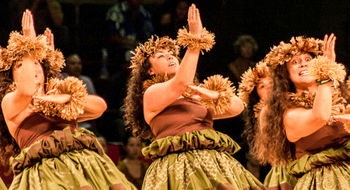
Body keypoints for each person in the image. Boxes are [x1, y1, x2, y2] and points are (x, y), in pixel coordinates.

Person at [124, 4, 265, 189]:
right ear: (149, 70)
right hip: (179, 167)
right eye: (161, 56)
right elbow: (180, 82)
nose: (171, 57)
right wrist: (195, 40)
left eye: (173, 54)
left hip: (214, 164)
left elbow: (238, 107)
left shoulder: (194, 97)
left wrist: (212, 94)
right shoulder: (151, 94)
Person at [0, 10, 136, 190]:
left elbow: (100, 107)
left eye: (37, 63)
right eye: (21, 65)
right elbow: (26, 87)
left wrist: (62, 99)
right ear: (12, 76)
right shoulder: (10, 101)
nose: (33, 67)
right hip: (47, 173)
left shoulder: (57, 95)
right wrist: (30, 44)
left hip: (87, 165)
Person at [259, 34, 350, 189]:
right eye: (295, 62)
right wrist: (326, 75)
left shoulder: (344, 96)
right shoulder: (289, 114)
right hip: (322, 182)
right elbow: (320, 116)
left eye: (308, 59)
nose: (302, 64)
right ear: (286, 75)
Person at [238, 61, 297, 189]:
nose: (268, 88)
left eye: (271, 83)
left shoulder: (293, 103)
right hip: (283, 170)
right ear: (256, 94)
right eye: (262, 86)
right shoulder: (261, 115)